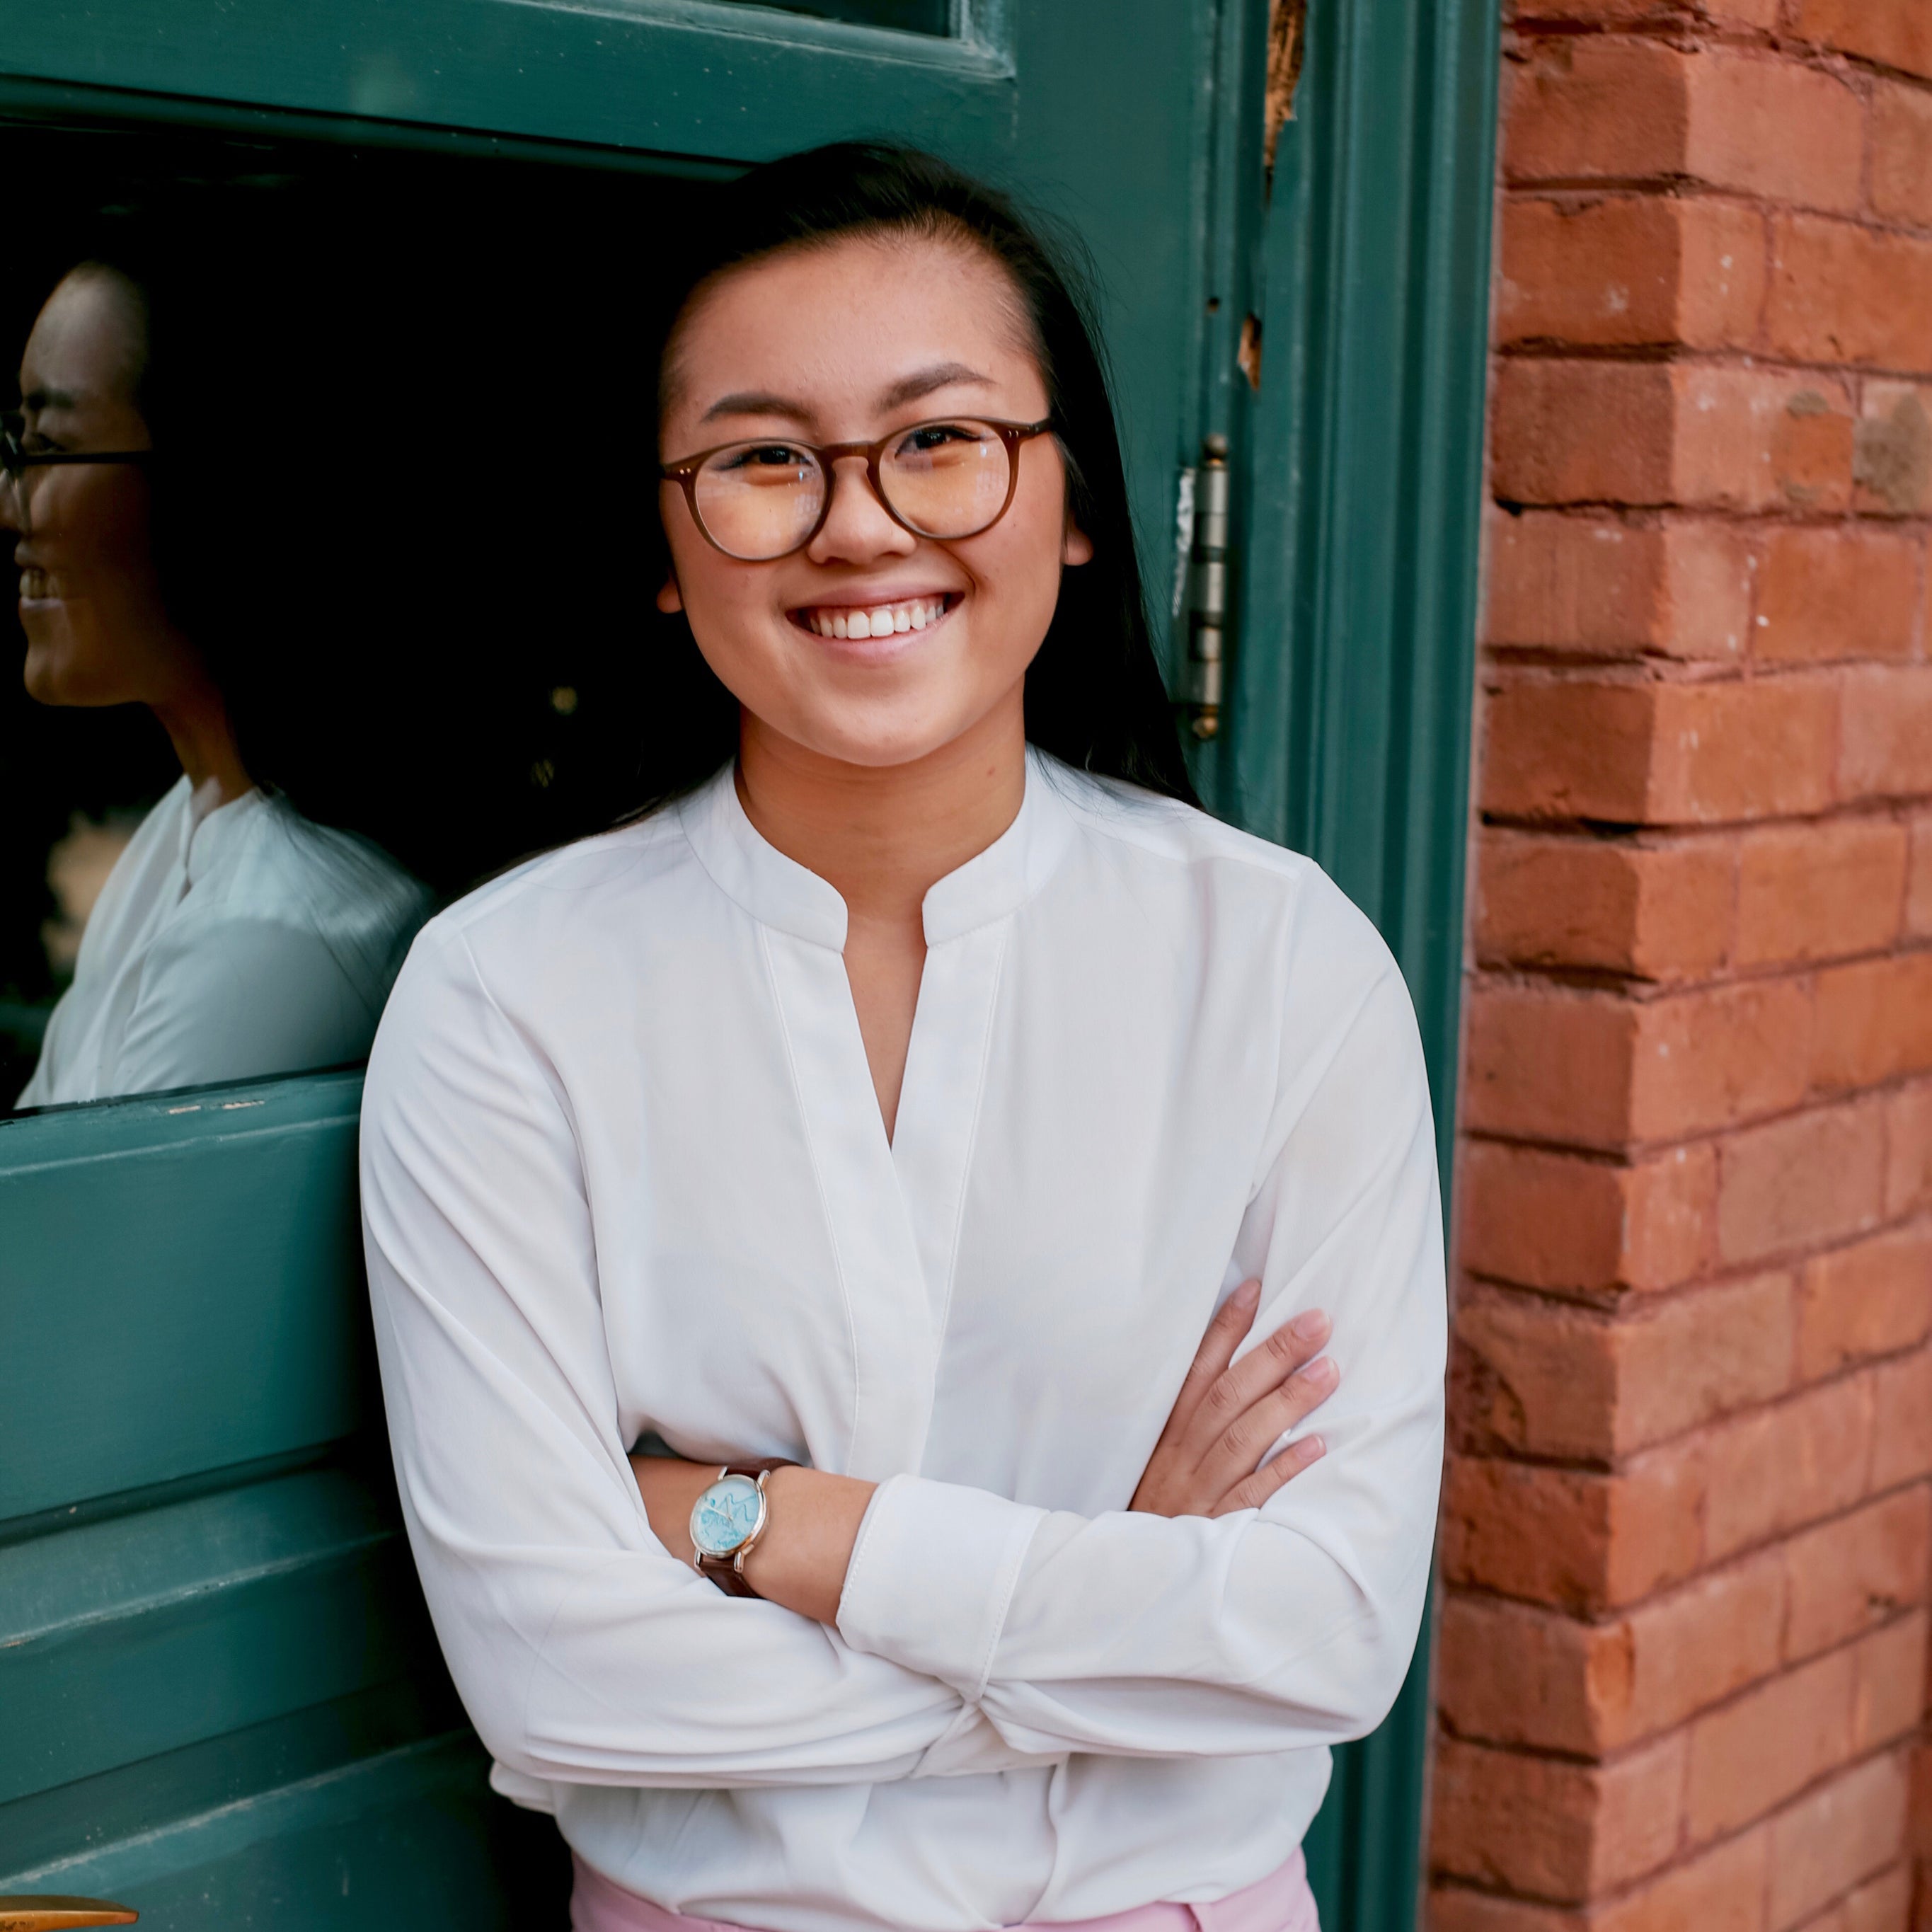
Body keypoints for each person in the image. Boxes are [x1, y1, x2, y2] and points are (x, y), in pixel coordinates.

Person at [360, 144, 1444, 1932]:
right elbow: (556, 1680)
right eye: (764, 459)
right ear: (663, 542)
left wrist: (758, 1522)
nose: (859, 523)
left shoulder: (1278, 964)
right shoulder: (508, 999)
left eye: (940, 440)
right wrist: (1130, 1604)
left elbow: (1325, 1636)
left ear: (1076, 502)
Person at [4, 251, 432, 1107]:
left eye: (50, 449)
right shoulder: (192, 828)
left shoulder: (281, 929)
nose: (12, 504)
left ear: (209, 482)